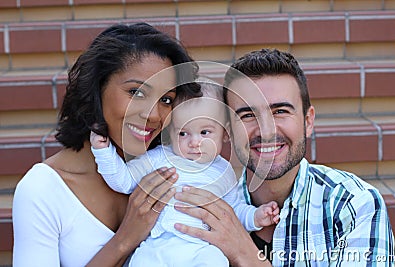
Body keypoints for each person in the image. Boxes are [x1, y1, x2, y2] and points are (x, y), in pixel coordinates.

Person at [173, 49, 395, 266]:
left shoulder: (353, 204)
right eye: (248, 115)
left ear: (308, 122)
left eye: (280, 111)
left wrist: (246, 255)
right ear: (228, 130)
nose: (266, 131)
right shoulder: (203, 207)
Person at [12, 22, 203, 266]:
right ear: (97, 87)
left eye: (167, 99)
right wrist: (125, 239)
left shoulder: (170, 170)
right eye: (136, 93)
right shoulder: (43, 189)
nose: (154, 115)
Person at [90, 80, 280, 266]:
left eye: (205, 132)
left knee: (216, 261)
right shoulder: (158, 158)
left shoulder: (223, 171)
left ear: (225, 133)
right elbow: (123, 181)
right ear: (171, 133)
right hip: (158, 244)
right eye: (183, 133)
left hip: (202, 247)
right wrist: (104, 152)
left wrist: (256, 217)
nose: (194, 142)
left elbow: (233, 211)